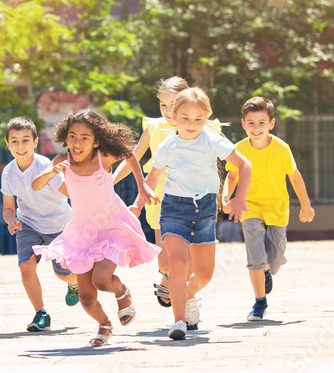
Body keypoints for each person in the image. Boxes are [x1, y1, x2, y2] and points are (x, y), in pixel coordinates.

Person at [32, 109, 161, 346]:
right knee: (86, 298)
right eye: (72, 136)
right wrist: (51, 171)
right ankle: (104, 325)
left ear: (96, 141)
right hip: (83, 233)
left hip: (111, 226)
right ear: (65, 137)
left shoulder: (104, 158)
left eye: (84, 137)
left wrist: (142, 186)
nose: (77, 143)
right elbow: (36, 185)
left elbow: (130, 154)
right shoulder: (62, 162)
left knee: (102, 279)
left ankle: (122, 293)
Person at [131, 87, 252, 340]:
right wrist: (137, 206)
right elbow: (152, 178)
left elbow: (244, 164)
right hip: (174, 209)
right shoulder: (168, 145)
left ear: (206, 119)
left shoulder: (211, 139)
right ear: (173, 116)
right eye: (185, 118)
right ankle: (178, 321)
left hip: (206, 210)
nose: (191, 124)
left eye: (198, 119)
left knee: (205, 274)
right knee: (177, 264)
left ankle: (185, 296)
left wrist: (240, 198)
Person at [222, 97, 315, 321]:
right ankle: (259, 303)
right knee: (255, 255)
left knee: (273, 262)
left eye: (262, 123)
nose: (256, 128)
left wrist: (306, 205)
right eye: (251, 123)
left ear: (271, 124)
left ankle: (265, 270)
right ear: (243, 124)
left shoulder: (282, 148)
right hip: (249, 206)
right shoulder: (239, 149)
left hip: (277, 207)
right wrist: (226, 196)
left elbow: (295, 176)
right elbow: (232, 176)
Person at [113, 76, 189, 308]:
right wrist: (111, 181)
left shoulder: (196, 123)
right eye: (162, 105)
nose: (167, 110)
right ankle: (167, 275)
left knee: (186, 253)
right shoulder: (154, 126)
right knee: (165, 260)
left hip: (189, 193)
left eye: (173, 104)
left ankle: (186, 300)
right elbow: (133, 156)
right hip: (159, 194)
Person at [1, 116, 79, 333]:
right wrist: (11, 220)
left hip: (59, 225)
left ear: (35, 142)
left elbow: (68, 193)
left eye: (25, 140)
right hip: (28, 224)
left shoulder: (45, 166)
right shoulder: (8, 172)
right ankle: (41, 312)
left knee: (63, 274)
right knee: (25, 266)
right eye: (14, 141)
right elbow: (8, 208)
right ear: (8, 145)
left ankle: (75, 283)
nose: (20, 145)